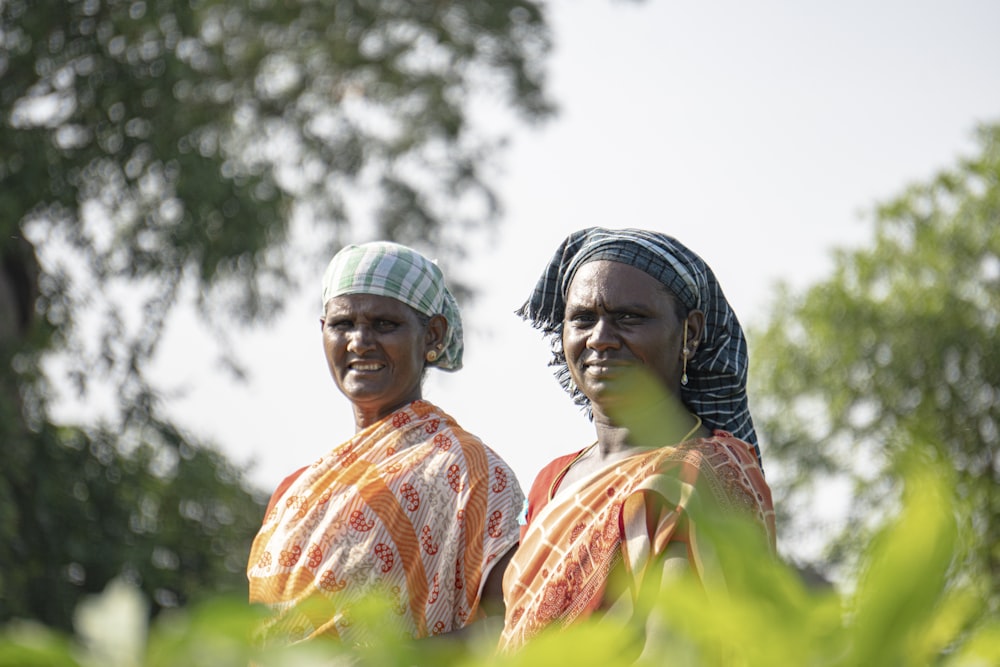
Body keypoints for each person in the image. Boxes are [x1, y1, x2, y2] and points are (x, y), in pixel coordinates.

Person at [499, 227, 776, 656]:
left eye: (630, 317)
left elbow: (678, 652)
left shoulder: (702, 472)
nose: (601, 338)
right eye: (583, 318)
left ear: (691, 333)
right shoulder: (551, 481)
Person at [247, 241, 524, 647]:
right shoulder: (294, 493)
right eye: (342, 324)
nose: (359, 342)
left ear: (432, 334)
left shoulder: (468, 470)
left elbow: (514, 626)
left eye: (383, 324)